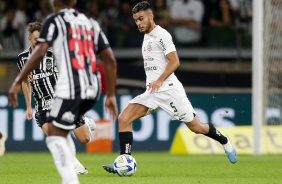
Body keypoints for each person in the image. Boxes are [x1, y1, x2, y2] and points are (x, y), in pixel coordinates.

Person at [102, 1, 237, 174]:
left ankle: (224, 140)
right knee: (123, 119)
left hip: (169, 89)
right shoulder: (146, 36)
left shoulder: (162, 35)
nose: (138, 23)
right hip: (152, 91)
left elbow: (175, 61)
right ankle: (123, 162)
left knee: (197, 128)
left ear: (151, 16)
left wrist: (159, 80)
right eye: (136, 20)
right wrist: (155, 83)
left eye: (141, 19)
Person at [9, 0, 118, 183]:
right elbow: (109, 59)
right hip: (59, 98)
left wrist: (15, 82)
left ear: (54, 4)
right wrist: (28, 105)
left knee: (79, 139)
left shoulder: (55, 28)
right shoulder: (90, 23)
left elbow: (43, 52)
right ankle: (75, 168)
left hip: (67, 95)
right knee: (53, 133)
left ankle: (85, 128)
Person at [17, 21, 96, 174]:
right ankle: (76, 166)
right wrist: (28, 106)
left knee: (84, 139)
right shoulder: (22, 59)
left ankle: (85, 121)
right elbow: (25, 81)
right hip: (42, 105)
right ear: (29, 40)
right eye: (36, 40)